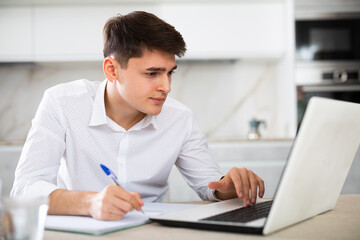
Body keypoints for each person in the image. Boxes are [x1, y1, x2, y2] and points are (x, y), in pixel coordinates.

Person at [11, 11, 265, 221]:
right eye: (152, 73)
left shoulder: (180, 118)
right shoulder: (62, 103)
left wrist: (227, 187)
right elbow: (25, 189)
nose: (166, 86)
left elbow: (208, 186)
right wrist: (90, 202)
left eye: (170, 73)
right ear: (112, 69)